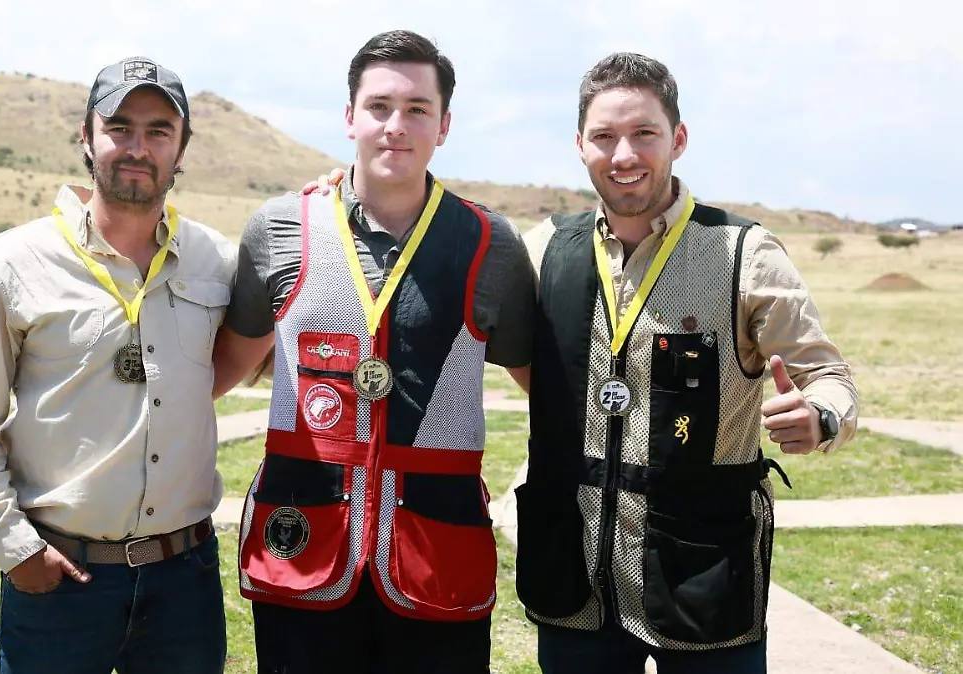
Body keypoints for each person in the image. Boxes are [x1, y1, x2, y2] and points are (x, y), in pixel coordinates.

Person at [514, 52, 860, 673]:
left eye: (644, 133)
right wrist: (346, 190)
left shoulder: (742, 254)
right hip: (575, 571)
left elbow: (829, 377)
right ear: (580, 145)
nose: (624, 155)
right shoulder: (543, 249)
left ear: (677, 138)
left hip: (702, 569)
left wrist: (819, 418)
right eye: (605, 136)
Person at [210, 29, 537, 674]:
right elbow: (222, 370)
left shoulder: (489, 242)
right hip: (302, 546)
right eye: (380, 106)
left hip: (435, 555)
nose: (397, 125)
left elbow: (545, 390)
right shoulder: (278, 227)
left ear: (444, 125)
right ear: (349, 116)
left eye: (418, 109)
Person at [0, 56, 235, 673]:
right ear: (86, 139)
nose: (137, 147)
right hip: (61, 579)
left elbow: (271, 356)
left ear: (182, 150)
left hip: (185, 583)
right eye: (119, 127)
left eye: (158, 131)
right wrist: (16, 551)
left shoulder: (218, 261)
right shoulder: (9, 264)